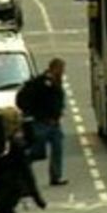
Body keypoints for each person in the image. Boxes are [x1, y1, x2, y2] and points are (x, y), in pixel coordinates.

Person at [17, 58, 68, 186]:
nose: (63, 72)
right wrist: (33, 113)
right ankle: (21, 170)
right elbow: (25, 99)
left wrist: (58, 112)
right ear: (54, 68)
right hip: (41, 122)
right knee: (37, 152)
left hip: (54, 123)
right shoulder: (39, 82)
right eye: (61, 69)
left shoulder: (56, 82)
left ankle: (55, 176)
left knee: (58, 148)